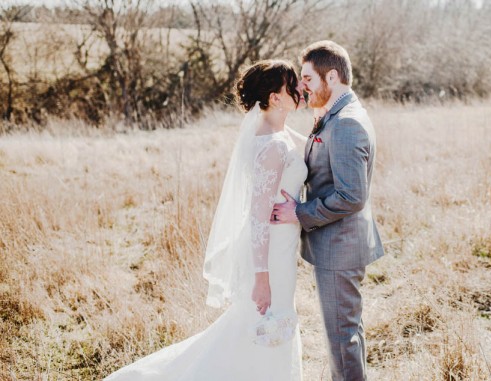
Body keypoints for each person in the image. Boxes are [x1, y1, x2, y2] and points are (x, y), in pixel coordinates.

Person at [104, 60, 308, 381]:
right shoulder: (272, 146)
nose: (299, 90)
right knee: (265, 325)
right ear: (274, 98)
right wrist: (261, 276)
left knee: (262, 326)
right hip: (269, 254)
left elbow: (300, 142)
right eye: (292, 85)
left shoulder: (273, 132)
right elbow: (258, 218)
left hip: (280, 247)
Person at [271, 41, 384, 381]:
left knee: (341, 339)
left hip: (340, 246)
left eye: (307, 78)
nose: (301, 85)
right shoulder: (336, 113)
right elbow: (320, 153)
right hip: (340, 243)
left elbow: (351, 196)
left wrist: (299, 213)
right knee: (347, 331)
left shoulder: (347, 122)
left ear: (331, 76)